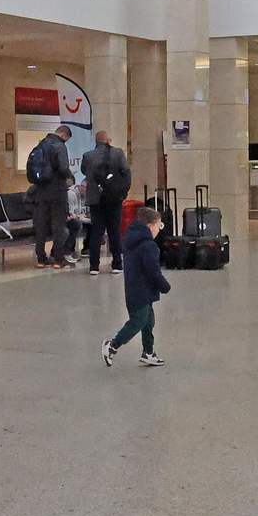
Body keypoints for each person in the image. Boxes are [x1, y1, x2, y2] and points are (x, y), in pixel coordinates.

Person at [100, 207, 170, 367]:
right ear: (149, 226)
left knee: (148, 321)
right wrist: (164, 286)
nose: (159, 230)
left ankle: (148, 352)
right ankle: (112, 345)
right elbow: (152, 271)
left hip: (135, 288)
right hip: (142, 291)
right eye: (158, 226)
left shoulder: (132, 240)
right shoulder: (147, 245)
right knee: (138, 321)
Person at [81, 130, 132, 275]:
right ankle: (116, 264)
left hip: (95, 199)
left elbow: (85, 172)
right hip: (114, 198)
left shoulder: (88, 156)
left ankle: (94, 266)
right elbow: (127, 172)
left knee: (96, 231)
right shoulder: (118, 153)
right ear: (108, 140)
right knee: (114, 231)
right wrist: (123, 192)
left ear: (96, 141)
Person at [27, 125, 76, 268]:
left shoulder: (41, 143)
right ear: (64, 136)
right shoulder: (60, 146)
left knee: (41, 226)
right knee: (58, 225)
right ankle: (58, 259)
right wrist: (70, 175)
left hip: (41, 191)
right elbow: (63, 167)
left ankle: (41, 259)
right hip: (57, 191)